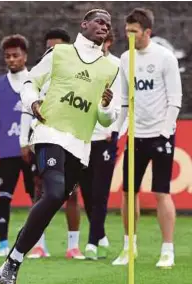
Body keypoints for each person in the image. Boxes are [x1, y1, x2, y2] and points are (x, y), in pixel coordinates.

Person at [0, 9, 119, 284]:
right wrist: (32, 104)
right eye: (99, 21)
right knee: (54, 193)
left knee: (53, 202)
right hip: (49, 133)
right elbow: (30, 82)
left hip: (80, 146)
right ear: (84, 25)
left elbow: (108, 118)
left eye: (108, 23)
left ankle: (9, 265)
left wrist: (106, 107)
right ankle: (13, 262)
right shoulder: (60, 53)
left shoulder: (112, 67)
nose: (104, 26)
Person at [111, 8, 182, 268]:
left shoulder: (165, 58)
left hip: (161, 135)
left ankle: (167, 249)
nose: (129, 35)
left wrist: (165, 132)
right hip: (136, 136)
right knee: (129, 192)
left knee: (162, 192)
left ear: (147, 32)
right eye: (127, 30)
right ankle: (130, 246)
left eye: (134, 31)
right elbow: (123, 101)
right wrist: (117, 132)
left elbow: (175, 100)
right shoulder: (125, 58)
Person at [21, 28, 85, 260]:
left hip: (71, 139)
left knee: (72, 192)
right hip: (45, 138)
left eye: (56, 46)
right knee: (41, 190)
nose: (52, 51)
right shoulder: (42, 71)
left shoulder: (80, 75)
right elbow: (27, 105)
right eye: (49, 46)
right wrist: (25, 140)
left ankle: (73, 245)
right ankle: (38, 244)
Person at [0, 34, 36, 257]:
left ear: (25, 56)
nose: (12, 60)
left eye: (16, 55)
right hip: (6, 150)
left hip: (32, 150)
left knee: (37, 197)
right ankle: (3, 243)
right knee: (4, 196)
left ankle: (39, 244)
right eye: (8, 56)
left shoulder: (35, 81)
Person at [81, 30, 121, 260]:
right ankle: (102, 236)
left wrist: (114, 130)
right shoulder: (85, 64)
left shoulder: (118, 65)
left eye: (102, 41)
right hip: (85, 136)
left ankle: (92, 243)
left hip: (106, 136)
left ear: (110, 43)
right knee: (87, 191)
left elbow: (123, 102)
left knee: (100, 192)